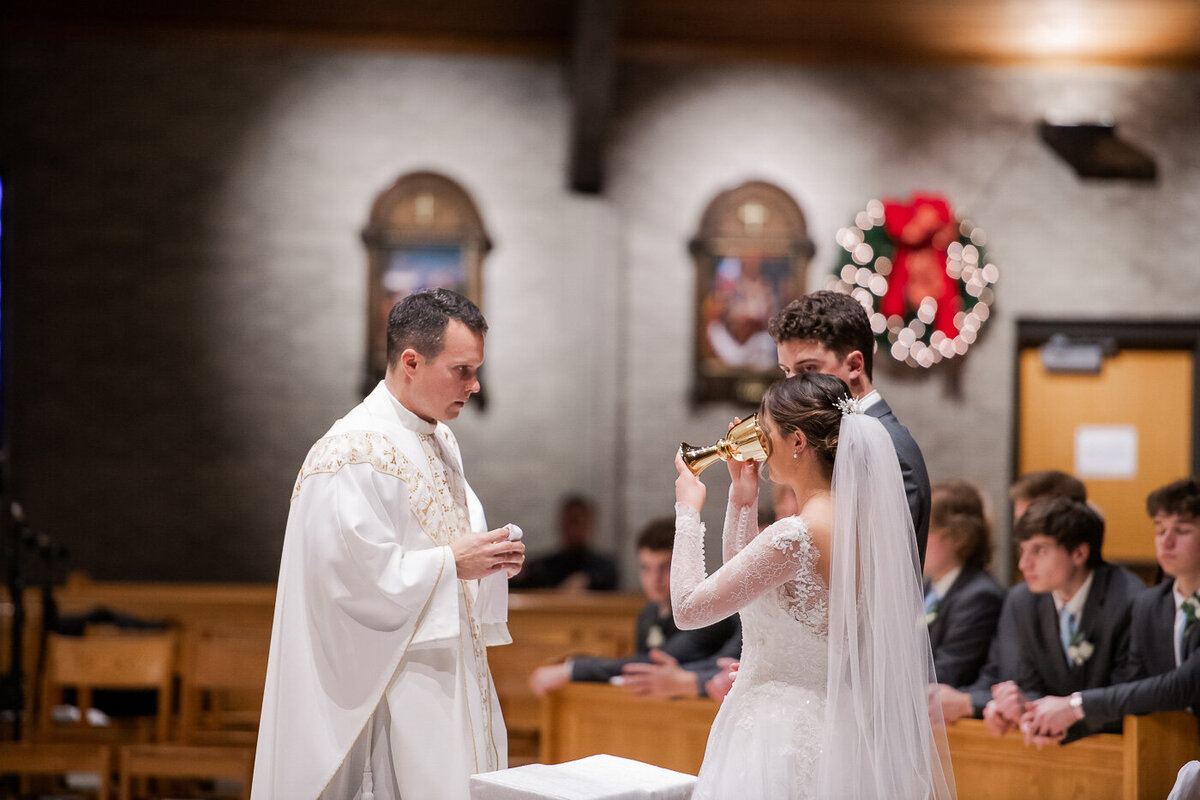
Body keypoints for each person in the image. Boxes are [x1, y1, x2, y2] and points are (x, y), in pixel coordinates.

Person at [252, 289, 525, 800]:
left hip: (446, 677)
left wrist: (490, 558)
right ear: (411, 362)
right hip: (387, 689)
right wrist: (451, 565)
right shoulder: (350, 452)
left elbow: (450, 540)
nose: (475, 384)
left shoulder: (437, 438)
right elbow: (350, 584)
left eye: (476, 369)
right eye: (462, 370)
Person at [671, 373, 954, 799]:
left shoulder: (795, 535)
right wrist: (741, 497)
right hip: (836, 728)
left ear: (798, 441)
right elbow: (747, 584)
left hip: (777, 733)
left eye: (767, 435)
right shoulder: (863, 528)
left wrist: (687, 511)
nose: (761, 448)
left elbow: (688, 609)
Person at [1022, 478, 1200, 743]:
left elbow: (1184, 685)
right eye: (1160, 529)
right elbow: (1132, 689)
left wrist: (1074, 706)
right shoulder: (1150, 604)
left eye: (1182, 530)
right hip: (1169, 747)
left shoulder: (1130, 595)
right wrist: (1059, 726)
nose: (1167, 541)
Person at [768, 290, 931, 566]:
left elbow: (885, 576)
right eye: (786, 371)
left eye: (807, 369)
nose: (792, 386)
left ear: (855, 365)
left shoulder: (890, 449)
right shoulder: (835, 437)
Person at [930, 469, 1088, 723]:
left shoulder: (1117, 597)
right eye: (1020, 521)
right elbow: (999, 674)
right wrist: (973, 701)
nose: (1023, 533)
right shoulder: (1021, 598)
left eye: (1035, 518)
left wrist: (968, 702)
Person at [982, 496, 1143, 741]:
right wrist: (1021, 709)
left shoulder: (1129, 601)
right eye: (1022, 550)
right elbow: (1030, 682)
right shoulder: (1023, 600)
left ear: (1079, 553)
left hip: (1115, 746)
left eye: (1039, 550)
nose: (1023, 564)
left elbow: (1128, 696)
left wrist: (1065, 718)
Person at [527, 518, 739, 700]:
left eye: (665, 567)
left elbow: (649, 665)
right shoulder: (648, 614)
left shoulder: (708, 612)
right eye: (646, 568)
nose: (654, 580)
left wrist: (572, 670)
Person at [924, 480, 1005, 688]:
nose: (914, 540)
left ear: (959, 536)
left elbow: (947, 674)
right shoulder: (925, 588)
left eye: (926, 530)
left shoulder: (979, 597)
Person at [511, 495, 619, 591]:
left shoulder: (605, 568)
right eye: (569, 521)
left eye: (577, 522)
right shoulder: (543, 567)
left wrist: (587, 580)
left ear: (590, 525)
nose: (572, 528)